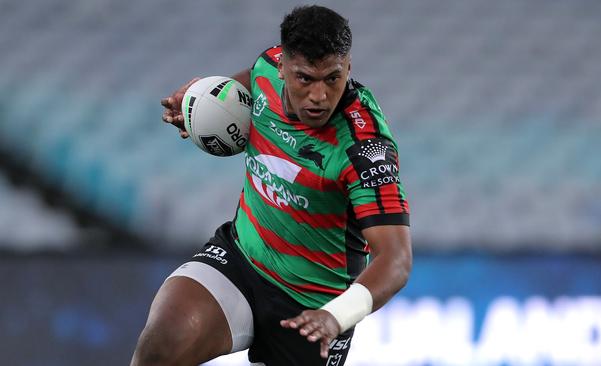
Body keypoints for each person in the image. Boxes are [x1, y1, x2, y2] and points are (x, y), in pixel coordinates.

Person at [131, 5, 411, 366]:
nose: (319, 96)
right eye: (304, 79)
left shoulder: (364, 148)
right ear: (282, 67)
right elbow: (244, 87)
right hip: (241, 261)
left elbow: (397, 260)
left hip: (313, 310)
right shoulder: (266, 69)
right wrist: (200, 101)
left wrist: (336, 316)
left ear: (348, 68)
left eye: (332, 78)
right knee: (161, 343)